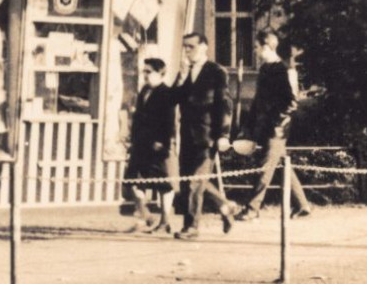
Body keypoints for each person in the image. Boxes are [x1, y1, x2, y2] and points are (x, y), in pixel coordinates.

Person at [238, 33, 312, 221]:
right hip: (267, 126)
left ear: (266, 47)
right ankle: (302, 205)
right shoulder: (265, 69)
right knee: (280, 164)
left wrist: (276, 122)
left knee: (266, 166)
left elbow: (292, 102)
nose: (254, 50)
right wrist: (248, 125)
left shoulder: (283, 69)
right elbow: (258, 101)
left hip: (277, 129)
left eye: (256, 47)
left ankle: (252, 208)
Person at [173, 33, 240, 239]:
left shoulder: (216, 71)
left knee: (195, 181)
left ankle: (191, 227)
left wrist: (224, 134)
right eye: (184, 47)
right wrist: (182, 77)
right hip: (187, 135)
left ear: (204, 47)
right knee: (189, 180)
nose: (186, 51)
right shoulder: (186, 72)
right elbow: (174, 99)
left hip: (208, 136)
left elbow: (225, 104)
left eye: (191, 47)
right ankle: (226, 206)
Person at [125, 57, 177, 234]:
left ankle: (165, 221)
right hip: (140, 144)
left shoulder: (166, 93)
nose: (145, 75)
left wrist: (162, 142)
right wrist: (132, 140)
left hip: (157, 146)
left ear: (160, 73)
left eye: (148, 72)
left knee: (163, 185)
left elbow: (170, 122)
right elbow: (138, 119)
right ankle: (146, 217)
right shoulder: (144, 91)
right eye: (143, 71)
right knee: (132, 181)